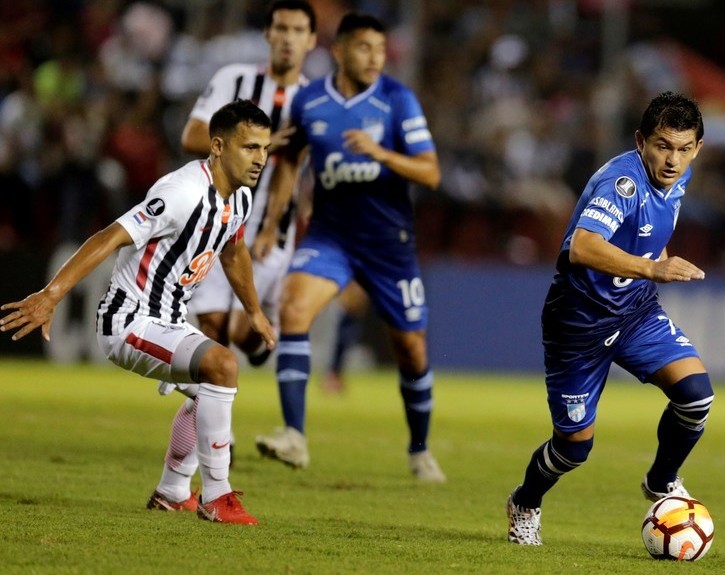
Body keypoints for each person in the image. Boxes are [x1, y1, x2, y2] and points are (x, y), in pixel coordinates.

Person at [0, 99, 276, 525]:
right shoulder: (180, 192)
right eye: (249, 148)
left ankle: (172, 492)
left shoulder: (239, 196)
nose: (260, 159)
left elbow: (234, 250)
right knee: (222, 364)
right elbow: (111, 236)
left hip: (168, 319)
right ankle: (217, 499)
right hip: (129, 321)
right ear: (218, 146)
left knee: (206, 393)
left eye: (264, 148)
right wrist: (52, 294)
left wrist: (254, 311)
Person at [506, 92, 714, 545]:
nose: (672, 159)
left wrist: (653, 260)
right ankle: (526, 501)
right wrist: (653, 268)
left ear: (697, 147)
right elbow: (582, 247)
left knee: (696, 396)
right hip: (578, 324)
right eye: (662, 146)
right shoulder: (622, 182)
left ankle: (661, 482)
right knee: (574, 448)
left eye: (683, 148)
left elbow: (647, 232)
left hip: (635, 310)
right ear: (641, 141)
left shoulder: (679, 175)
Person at [252, 12, 446, 482]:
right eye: (364, 48)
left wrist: (381, 154)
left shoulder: (398, 100)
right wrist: (271, 224)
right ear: (338, 51)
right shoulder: (310, 100)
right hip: (330, 235)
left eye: (381, 49)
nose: (375, 58)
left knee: (412, 351)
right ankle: (294, 436)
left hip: (388, 245)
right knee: (293, 310)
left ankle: (420, 449)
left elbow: (431, 172)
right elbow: (289, 162)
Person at [151, 0, 317, 482]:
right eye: (280, 27)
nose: (287, 37)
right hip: (213, 224)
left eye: (298, 30)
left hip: (269, 234)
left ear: (311, 40)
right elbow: (192, 134)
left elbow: (292, 167)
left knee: (243, 332)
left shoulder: (310, 99)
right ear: (267, 33)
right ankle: (205, 449)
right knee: (211, 333)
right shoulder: (234, 80)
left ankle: (209, 428)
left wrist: (269, 225)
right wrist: (255, 140)